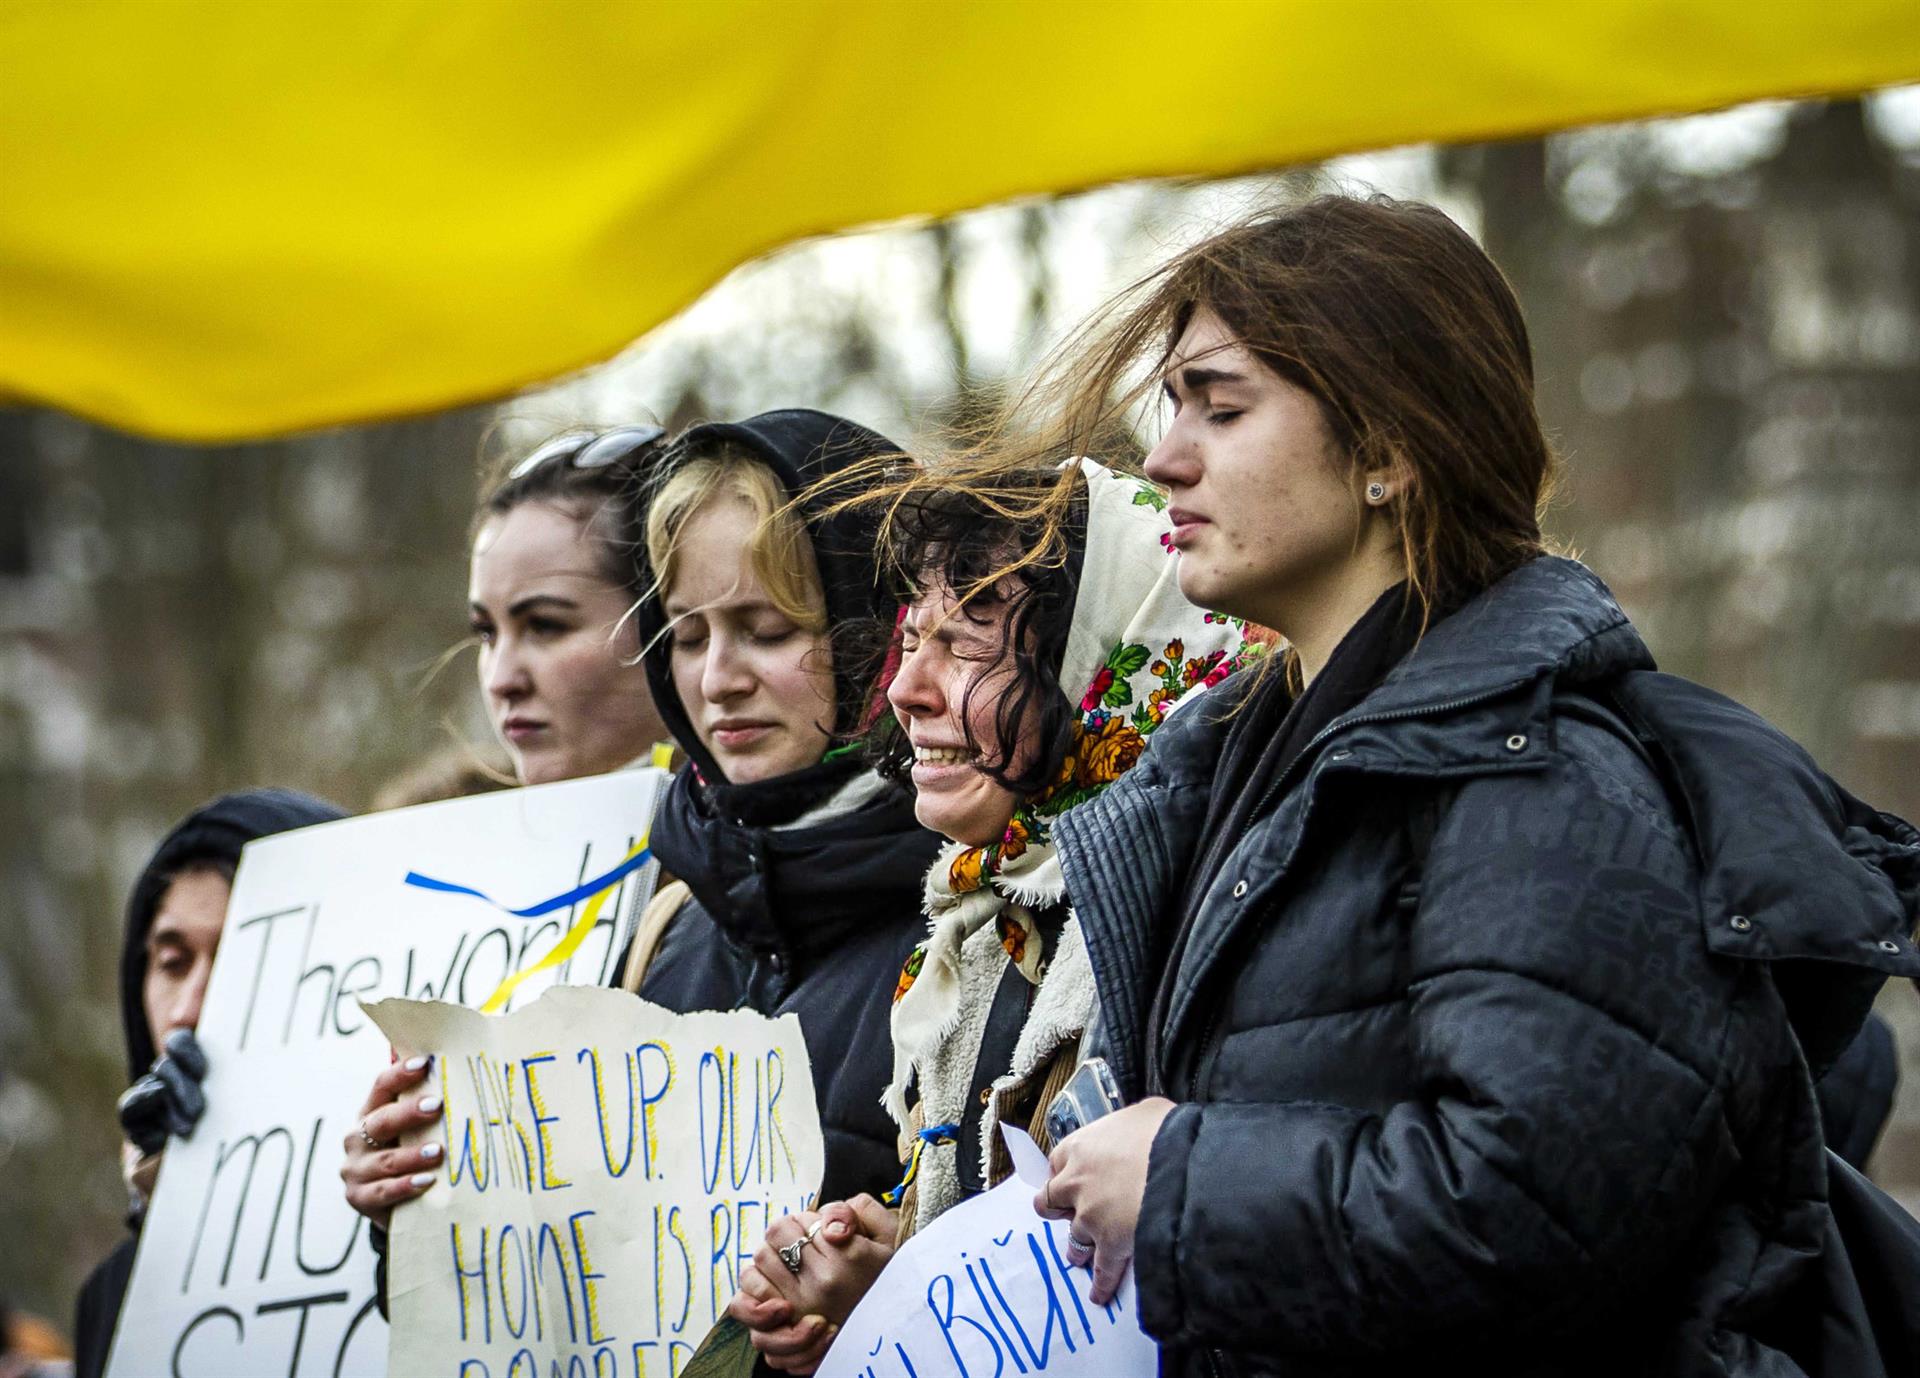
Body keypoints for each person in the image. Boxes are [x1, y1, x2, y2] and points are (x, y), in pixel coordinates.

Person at [987, 194, 1920, 1375]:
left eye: (1222, 407)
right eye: (1172, 406)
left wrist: (1184, 1175)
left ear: (1389, 451)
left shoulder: (1539, 779)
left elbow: (1536, 1210)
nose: (1166, 457)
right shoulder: (1237, 774)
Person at [343, 410, 942, 1243]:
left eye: (766, 631)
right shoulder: (676, 931)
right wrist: (422, 1208)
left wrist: (870, 1293)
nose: (719, 678)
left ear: (881, 633)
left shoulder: (973, 921)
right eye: (688, 636)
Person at [724, 457, 1255, 1371]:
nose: (904, 689)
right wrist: (885, 1284)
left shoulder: (1201, 917)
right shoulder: (980, 921)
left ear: (1109, 655)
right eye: (912, 636)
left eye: (968, 642)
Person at [72, 788, 345, 1378]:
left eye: (240, 957)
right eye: (172, 964)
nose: (188, 1010)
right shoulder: (109, 1301)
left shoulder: (413, 1251)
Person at [464, 424, 673, 784]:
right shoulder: (437, 836)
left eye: (545, 625)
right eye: (487, 633)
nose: (501, 681)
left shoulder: (776, 836)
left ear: (670, 625)